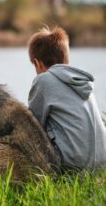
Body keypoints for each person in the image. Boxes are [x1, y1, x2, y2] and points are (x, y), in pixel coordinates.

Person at [28, 26, 106, 171]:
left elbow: (33, 126)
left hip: (74, 165)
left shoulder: (43, 80)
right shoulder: (81, 81)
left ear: (37, 63)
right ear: (66, 60)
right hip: (102, 162)